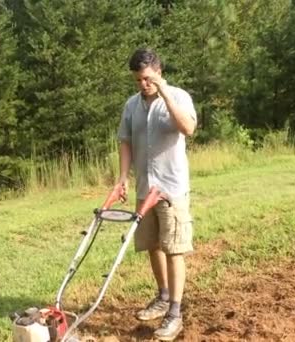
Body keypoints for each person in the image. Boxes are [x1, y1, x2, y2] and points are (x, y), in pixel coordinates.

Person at [116, 47, 197, 341]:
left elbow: (188, 128)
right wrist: (122, 178)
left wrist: (165, 94)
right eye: (138, 80)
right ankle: (162, 296)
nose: (143, 84)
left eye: (148, 78)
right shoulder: (131, 106)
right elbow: (125, 142)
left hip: (171, 188)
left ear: (159, 73)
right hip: (144, 188)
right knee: (152, 245)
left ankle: (175, 312)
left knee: (174, 248)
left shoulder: (179, 97)